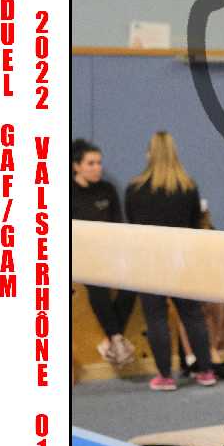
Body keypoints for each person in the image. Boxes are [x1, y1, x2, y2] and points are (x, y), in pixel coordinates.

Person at [124, 131, 217, 391]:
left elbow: (131, 226)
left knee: (156, 318)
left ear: (149, 154)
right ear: (175, 153)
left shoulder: (135, 189)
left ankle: (165, 376)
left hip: (149, 259)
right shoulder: (188, 187)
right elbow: (195, 225)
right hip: (181, 259)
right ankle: (206, 371)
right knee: (193, 315)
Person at [72, 138, 136, 366]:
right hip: (83, 257)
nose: (97, 168)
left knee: (133, 284)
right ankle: (117, 338)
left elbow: (117, 224)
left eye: (99, 163)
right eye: (91, 163)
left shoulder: (107, 190)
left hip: (110, 254)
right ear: (76, 166)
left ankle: (112, 339)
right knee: (97, 286)